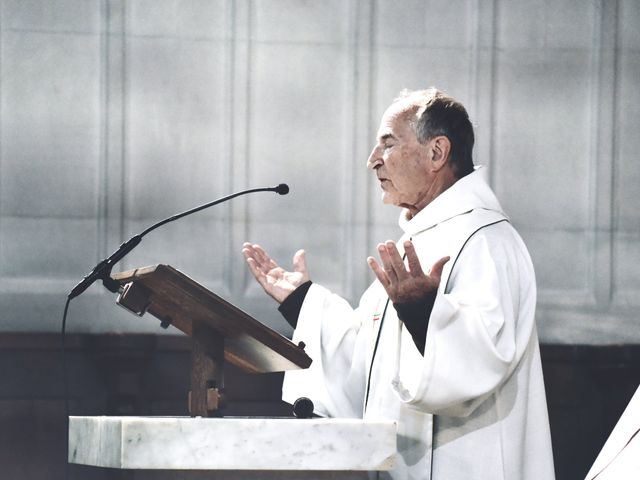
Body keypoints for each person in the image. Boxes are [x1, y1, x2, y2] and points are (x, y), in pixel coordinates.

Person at [243, 88, 555, 479]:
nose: (372, 161)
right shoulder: (422, 239)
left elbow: (483, 357)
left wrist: (426, 315)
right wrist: (302, 301)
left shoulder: (485, 240)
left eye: (387, 144)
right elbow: (368, 361)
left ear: (437, 153)